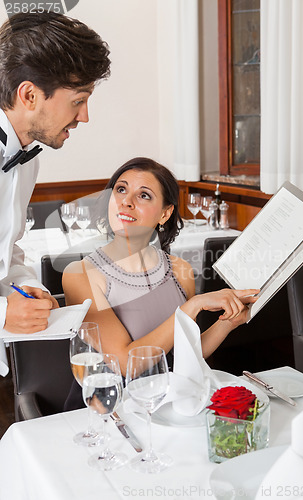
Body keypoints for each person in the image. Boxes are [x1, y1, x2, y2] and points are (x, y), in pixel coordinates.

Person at [63, 157, 258, 408]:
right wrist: (191, 307)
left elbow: (185, 354)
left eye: (143, 195)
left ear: (165, 213)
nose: (126, 201)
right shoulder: (80, 274)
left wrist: (229, 323)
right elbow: (123, 363)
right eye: (121, 190)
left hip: (166, 402)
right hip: (109, 409)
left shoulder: (179, 270)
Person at [0, 10, 110, 342]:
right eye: (78, 101)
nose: (84, 117)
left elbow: (8, 248)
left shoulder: (28, 160)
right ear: (29, 95)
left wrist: (29, 288)